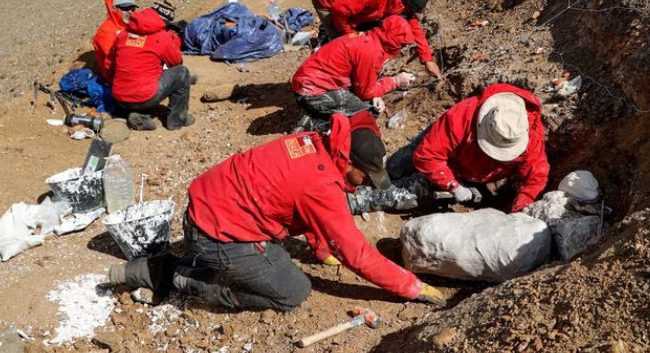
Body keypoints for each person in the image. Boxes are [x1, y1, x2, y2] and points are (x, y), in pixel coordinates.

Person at [106, 112, 446, 311]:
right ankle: (184, 279)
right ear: (347, 162)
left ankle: (172, 266)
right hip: (216, 233)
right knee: (292, 292)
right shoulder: (321, 186)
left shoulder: (315, 142)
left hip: (213, 206)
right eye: (365, 176)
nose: (366, 183)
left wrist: (321, 247)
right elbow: (356, 254)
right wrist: (410, 286)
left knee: (278, 259)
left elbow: (300, 203)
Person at [352, 84, 550, 213]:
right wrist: (452, 185)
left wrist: (519, 211)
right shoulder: (462, 117)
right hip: (445, 152)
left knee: (411, 193)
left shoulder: (525, 133)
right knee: (401, 163)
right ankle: (361, 184)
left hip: (472, 172)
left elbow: (536, 178)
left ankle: (358, 201)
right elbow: (426, 156)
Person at [310, 0, 441, 77]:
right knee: (346, 46)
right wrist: (350, 35)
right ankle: (338, 74)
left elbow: (412, 25)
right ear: (405, 1)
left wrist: (427, 59)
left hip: (350, 1)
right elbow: (339, 10)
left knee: (368, 33)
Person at [291, 15, 417, 130]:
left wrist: (376, 94)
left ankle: (317, 113)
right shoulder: (371, 52)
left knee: (363, 102)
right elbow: (365, 92)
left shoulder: (367, 38)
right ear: (393, 39)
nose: (401, 48)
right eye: (401, 44)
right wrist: (395, 81)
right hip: (312, 90)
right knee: (367, 113)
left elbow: (363, 78)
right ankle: (312, 124)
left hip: (308, 80)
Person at [106, 7, 194, 131]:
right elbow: (176, 62)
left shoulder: (123, 35)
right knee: (182, 73)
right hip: (144, 97)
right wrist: (171, 44)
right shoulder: (161, 36)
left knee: (144, 79)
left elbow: (109, 65)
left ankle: (140, 116)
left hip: (119, 98)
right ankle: (177, 121)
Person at [92, 0, 138, 81]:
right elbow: (117, 61)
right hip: (122, 78)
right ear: (114, 8)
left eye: (132, 8)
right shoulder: (105, 33)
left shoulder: (133, 24)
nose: (130, 12)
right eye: (125, 8)